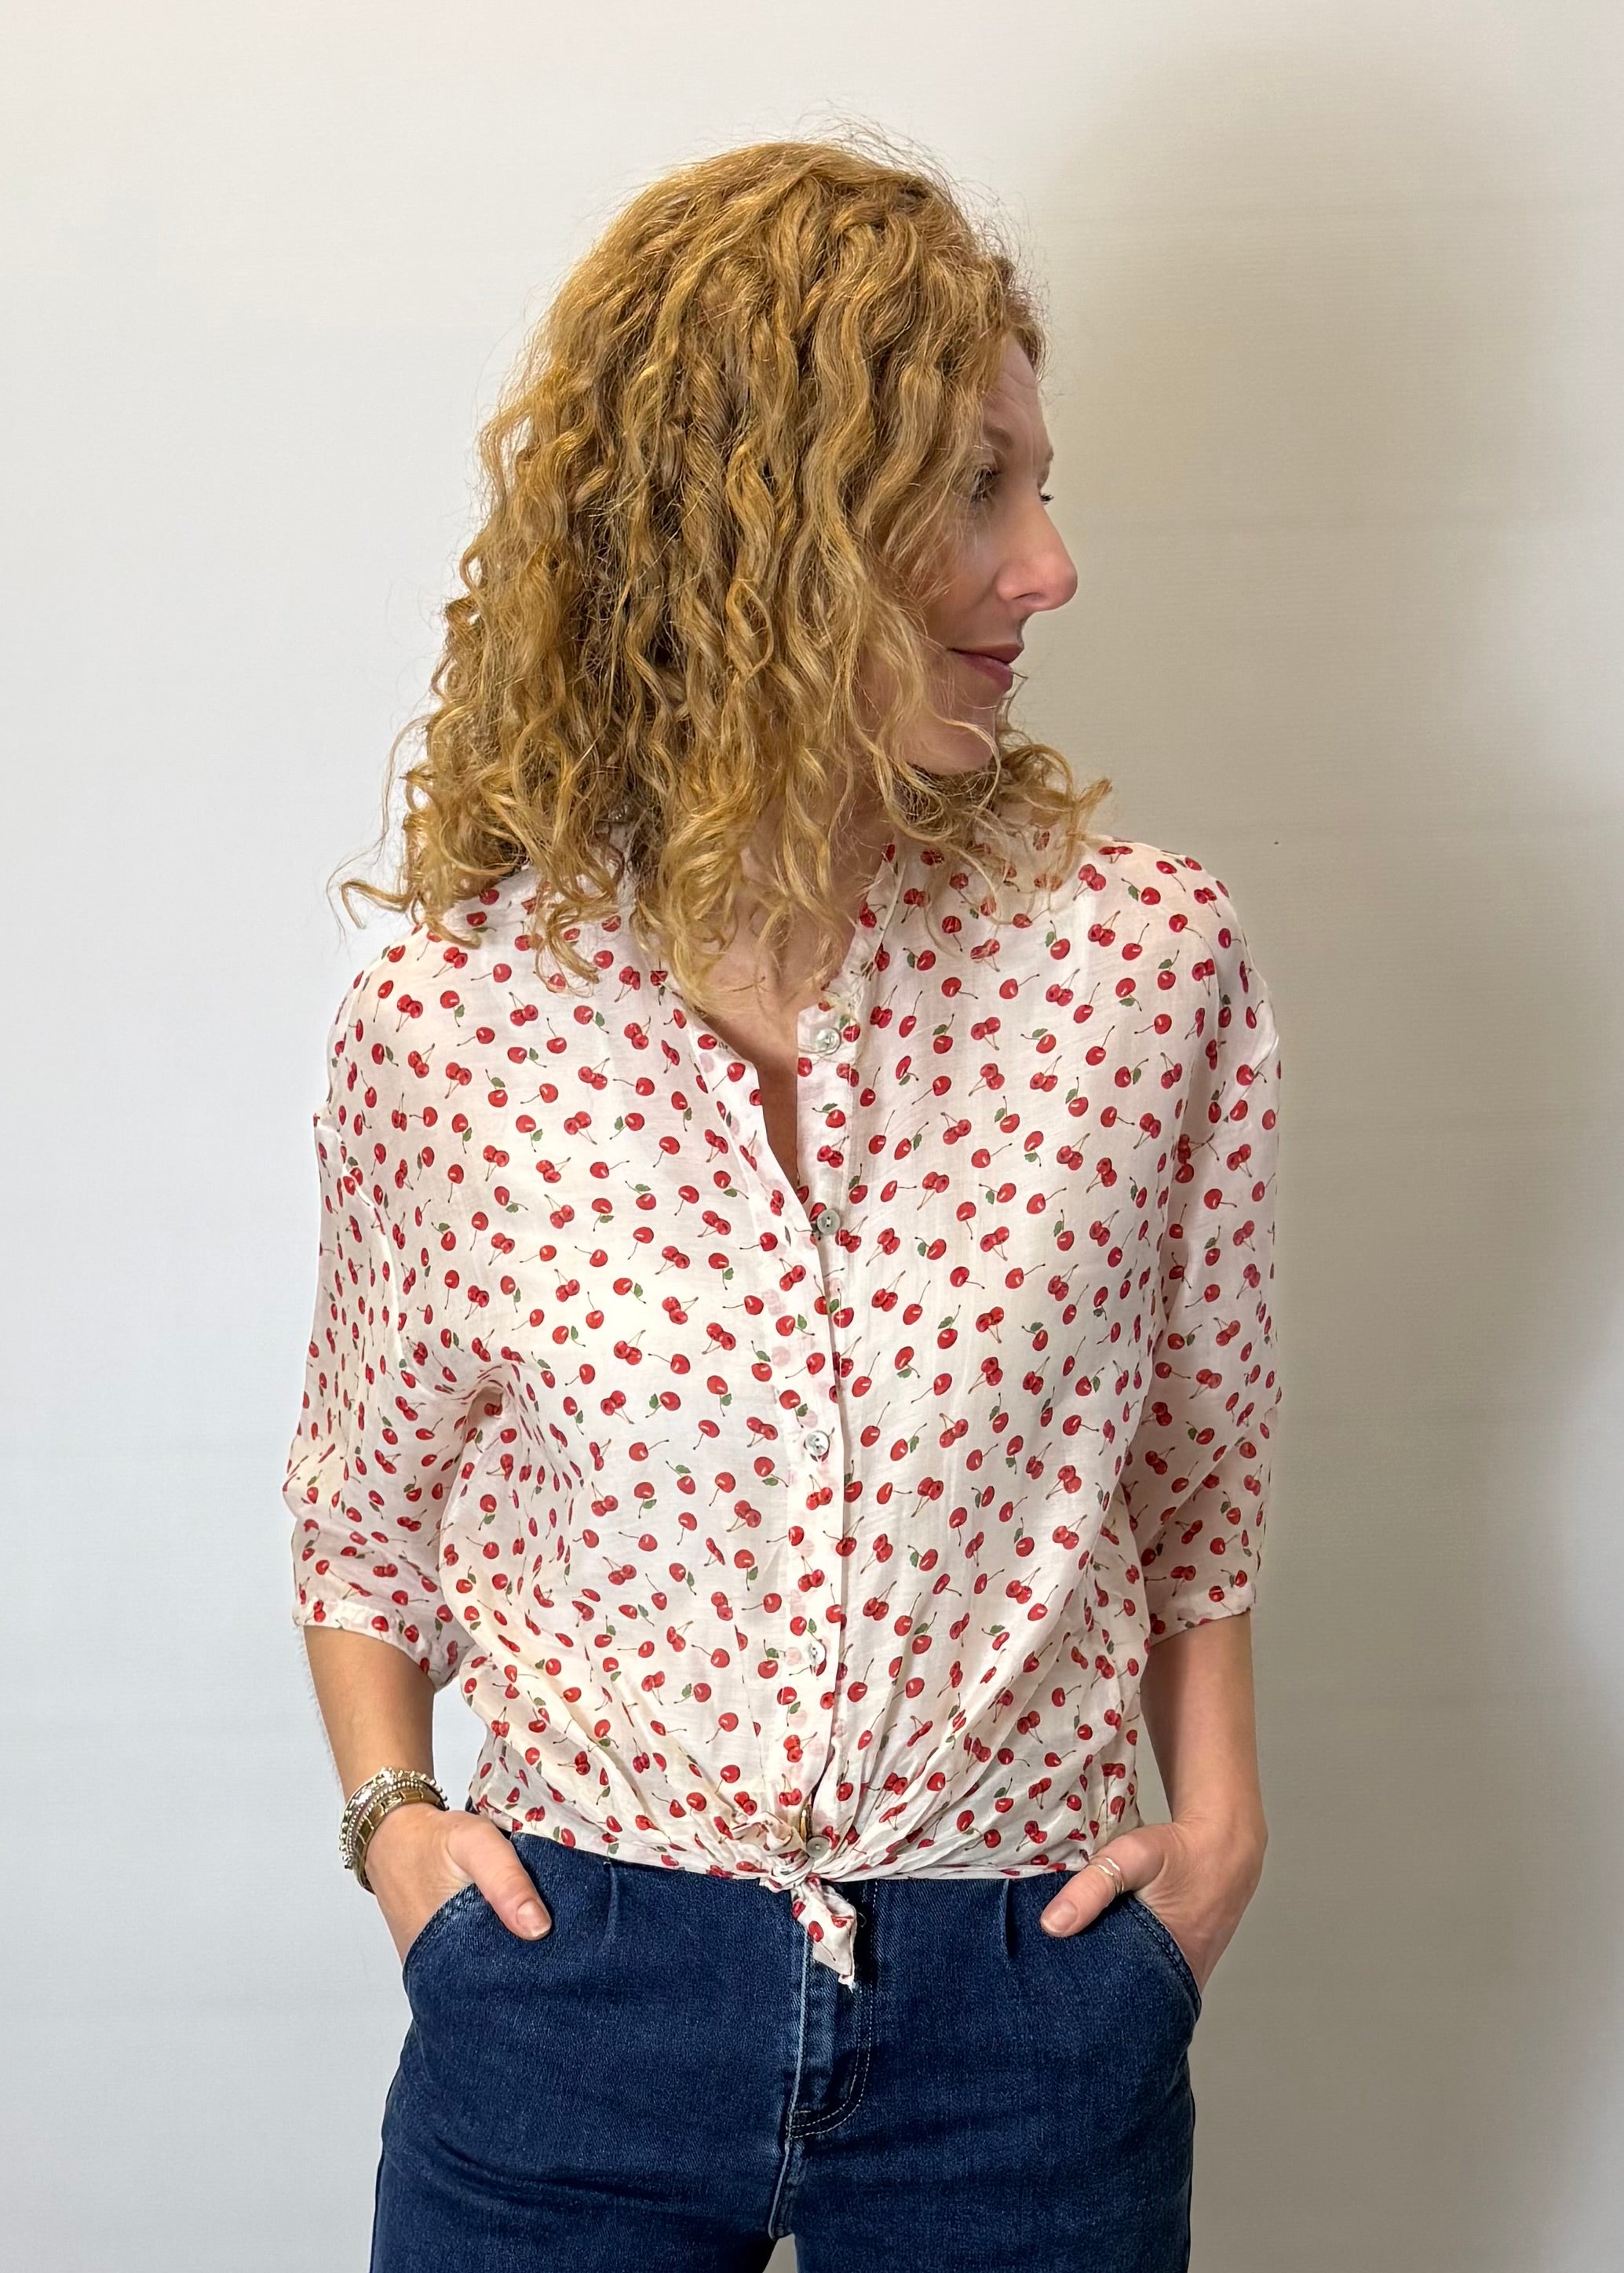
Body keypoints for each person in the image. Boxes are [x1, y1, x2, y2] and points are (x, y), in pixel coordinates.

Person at [283, 131, 1283, 2273]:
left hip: (1029, 2005)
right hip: (574, 1988)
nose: (1053, 568)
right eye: (980, 489)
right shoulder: (457, 1018)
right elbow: (364, 1523)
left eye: (1041, 482)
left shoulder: (1142, 967)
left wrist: (1217, 1844)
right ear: (770, 525)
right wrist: (397, 1839)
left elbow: (1200, 1473)